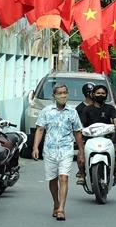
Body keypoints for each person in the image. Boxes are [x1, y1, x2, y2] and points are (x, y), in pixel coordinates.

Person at [32, 84, 84, 221]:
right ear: (54, 96)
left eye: (65, 93)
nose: (62, 95)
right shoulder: (46, 111)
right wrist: (35, 147)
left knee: (64, 177)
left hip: (66, 150)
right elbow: (40, 129)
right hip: (49, 151)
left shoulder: (72, 112)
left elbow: (78, 132)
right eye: (59, 93)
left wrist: (81, 152)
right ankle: (55, 202)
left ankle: (61, 208)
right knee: (52, 179)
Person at [79, 85, 116, 184]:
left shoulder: (110, 108)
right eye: (98, 93)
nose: (100, 95)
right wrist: (81, 129)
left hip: (108, 139)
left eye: (103, 93)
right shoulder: (87, 109)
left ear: (106, 95)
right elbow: (81, 124)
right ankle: (82, 175)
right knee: (80, 154)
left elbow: (115, 119)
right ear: (93, 94)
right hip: (89, 140)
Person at [75, 82, 95, 185]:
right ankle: (82, 174)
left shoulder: (101, 106)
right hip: (86, 136)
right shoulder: (79, 109)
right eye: (93, 92)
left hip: (101, 135)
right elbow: (77, 125)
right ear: (88, 94)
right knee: (80, 154)